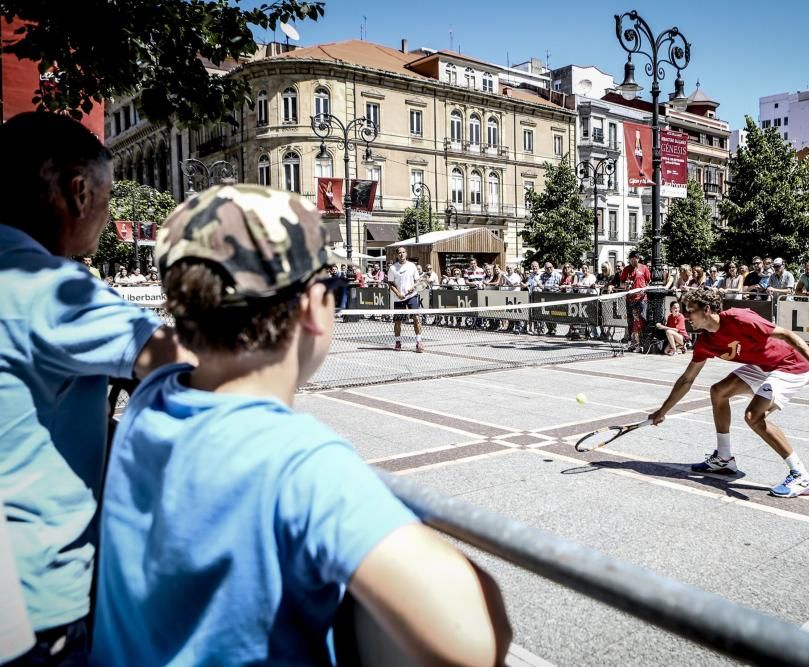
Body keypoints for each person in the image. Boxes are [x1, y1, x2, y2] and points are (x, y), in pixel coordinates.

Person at [91, 184, 511, 666]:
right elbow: (473, 641)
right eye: (337, 290)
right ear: (314, 305)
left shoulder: (151, 397)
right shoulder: (298, 462)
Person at [0, 111, 187, 665]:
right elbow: (176, 360)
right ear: (78, 193)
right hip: (36, 599)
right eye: (106, 199)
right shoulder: (49, 287)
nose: (106, 218)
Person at [649, 287, 809, 498]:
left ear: (706, 309)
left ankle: (802, 476)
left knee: (754, 416)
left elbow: (786, 334)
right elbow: (686, 379)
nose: (686, 316)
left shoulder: (739, 318)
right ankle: (724, 459)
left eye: (690, 311)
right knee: (718, 391)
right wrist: (662, 411)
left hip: (789, 364)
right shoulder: (706, 341)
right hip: (760, 366)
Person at [388, 247, 424, 353]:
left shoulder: (412, 266)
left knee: (416, 318)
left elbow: (418, 281)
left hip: (412, 296)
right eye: (399, 253)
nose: (401, 254)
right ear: (396, 255)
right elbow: (390, 283)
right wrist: (398, 294)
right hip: (399, 298)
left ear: (406, 254)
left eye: (403, 252)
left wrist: (414, 287)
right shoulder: (393, 268)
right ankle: (398, 342)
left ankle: (419, 342)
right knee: (398, 321)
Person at [620, 250, 651, 351]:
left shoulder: (644, 268)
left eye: (635, 259)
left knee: (642, 319)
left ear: (638, 258)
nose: (634, 261)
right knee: (630, 321)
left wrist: (644, 289)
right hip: (630, 298)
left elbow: (648, 281)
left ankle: (642, 342)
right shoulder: (626, 269)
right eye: (632, 260)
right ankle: (631, 341)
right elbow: (621, 283)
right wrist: (626, 285)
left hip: (642, 299)